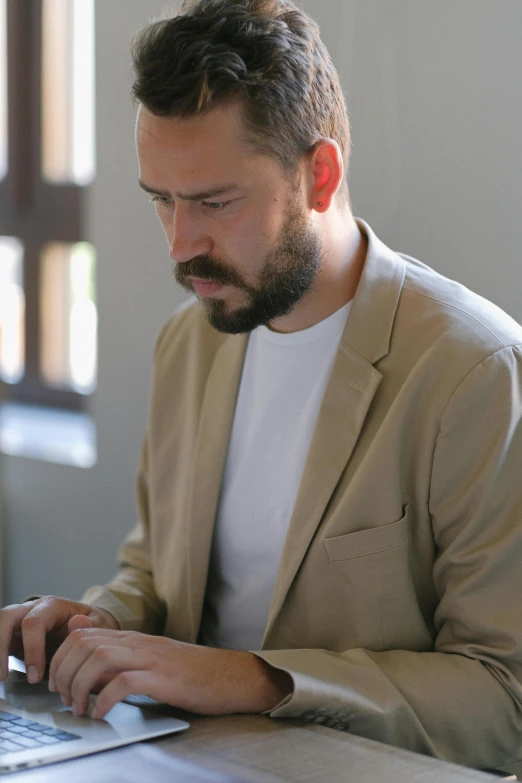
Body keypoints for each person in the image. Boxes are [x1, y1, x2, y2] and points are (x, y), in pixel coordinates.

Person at [1, 0, 522, 771]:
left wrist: (252, 677)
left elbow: (504, 698)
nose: (183, 246)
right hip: (186, 757)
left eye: (214, 202)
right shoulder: (190, 341)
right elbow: (155, 571)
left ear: (321, 174)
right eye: (161, 200)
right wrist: (94, 627)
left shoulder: (475, 373)